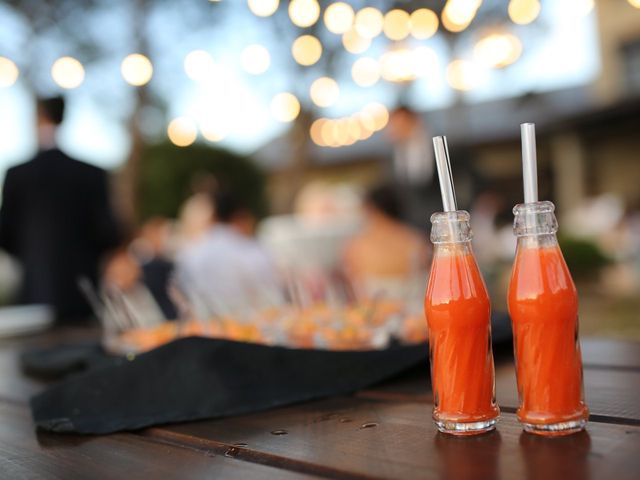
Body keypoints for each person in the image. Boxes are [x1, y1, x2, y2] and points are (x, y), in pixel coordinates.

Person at [0, 96, 121, 323]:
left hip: (33, 296)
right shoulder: (91, 174)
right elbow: (109, 232)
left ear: (38, 118)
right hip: (82, 296)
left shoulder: (18, 175)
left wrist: (32, 256)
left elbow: (4, 234)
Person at [175, 188, 279, 316]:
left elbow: (183, 297)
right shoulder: (252, 251)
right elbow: (273, 299)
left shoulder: (188, 254)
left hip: (206, 329)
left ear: (213, 216)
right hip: (251, 329)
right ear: (240, 215)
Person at [343, 185, 430, 297]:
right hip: (418, 312)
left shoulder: (355, 247)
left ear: (370, 209)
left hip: (374, 313)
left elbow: (353, 293)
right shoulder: (418, 241)